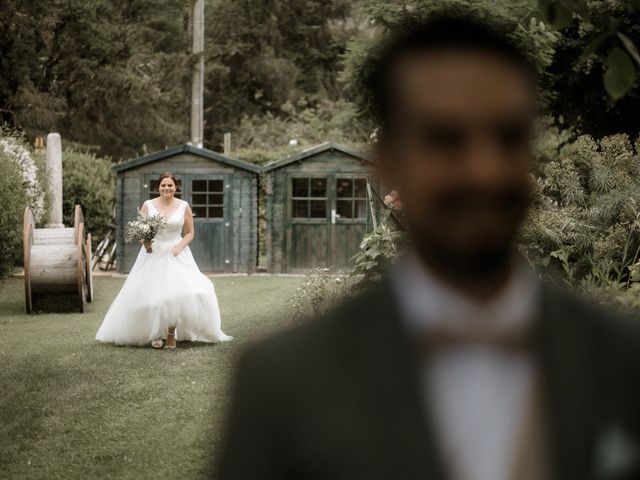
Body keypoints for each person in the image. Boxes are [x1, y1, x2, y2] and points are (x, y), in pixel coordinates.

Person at [216, 12, 640, 480]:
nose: (483, 170)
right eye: (445, 139)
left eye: (507, 135)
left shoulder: (624, 359)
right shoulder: (282, 382)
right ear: (388, 166)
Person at [96, 172, 232, 349]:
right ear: (157, 187)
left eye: (170, 185)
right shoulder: (148, 205)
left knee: (177, 294)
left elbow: (190, 232)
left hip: (177, 253)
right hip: (152, 253)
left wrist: (179, 246)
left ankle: (170, 334)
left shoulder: (184, 206)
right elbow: (141, 230)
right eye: (163, 185)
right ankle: (155, 334)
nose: (166, 188)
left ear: (176, 187)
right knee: (151, 296)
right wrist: (146, 242)